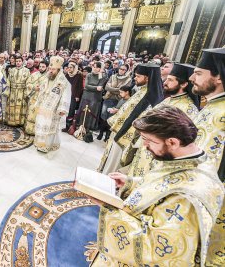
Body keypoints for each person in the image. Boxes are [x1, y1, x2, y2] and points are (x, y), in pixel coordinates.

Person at [91, 106, 224, 266]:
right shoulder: (191, 159)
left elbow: (157, 249)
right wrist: (131, 182)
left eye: (148, 140)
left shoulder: (188, 199)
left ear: (173, 142)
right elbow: (166, 184)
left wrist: (110, 209)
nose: (144, 145)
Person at [125, 63, 201, 178]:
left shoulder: (189, 110)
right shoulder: (167, 100)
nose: (165, 83)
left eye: (170, 80)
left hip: (158, 159)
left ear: (184, 84)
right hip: (146, 151)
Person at [98, 64, 164, 174]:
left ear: (147, 78)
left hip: (126, 138)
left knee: (114, 165)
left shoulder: (151, 97)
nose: (135, 78)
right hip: (120, 130)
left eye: (138, 76)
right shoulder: (142, 91)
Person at [189, 48, 225, 181]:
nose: (191, 78)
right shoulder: (213, 105)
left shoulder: (222, 114)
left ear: (219, 77)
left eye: (198, 74)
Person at [33, 56, 71, 153]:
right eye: (50, 68)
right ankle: (39, 144)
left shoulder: (64, 82)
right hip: (43, 107)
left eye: (53, 69)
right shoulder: (47, 77)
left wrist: (62, 109)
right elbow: (43, 88)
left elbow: (66, 95)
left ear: (59, 69)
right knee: (41, 124)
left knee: (49, 128)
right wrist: (38, 88)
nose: (50, 71)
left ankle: (47, 146)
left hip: (53, 109)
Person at [98, 64, 131, 141]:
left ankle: (107, 136)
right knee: (104, 116)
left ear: (126, 71)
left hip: (118, 100)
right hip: (108, 98)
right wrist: (118, 89)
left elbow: (123, 91)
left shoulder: (128, 79)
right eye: (120, 69)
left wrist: (112, 89)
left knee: (112, 118)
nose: (121, 70)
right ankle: (101, 133)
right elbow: (106, 87)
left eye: (124, 69)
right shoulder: (113, 76)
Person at [76, 61, 108, 133]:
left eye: (97, 67)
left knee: (92, 112)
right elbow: (86, 86)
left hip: (95, 97)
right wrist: (96, 88)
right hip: (86, 96)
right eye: (94, 66)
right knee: (83, 111)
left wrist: (93, 88)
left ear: (100, 68)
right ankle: (81, 125)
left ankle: (89, 127)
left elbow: (100, 88)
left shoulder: (103, 76)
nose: (95, 68)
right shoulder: (89, 75)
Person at [24, 60, 49, 135]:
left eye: (43, 67)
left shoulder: (48, 77)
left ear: (47, 67)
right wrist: (34, 87)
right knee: (31, 112)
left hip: (42, 98)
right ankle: (28, 129)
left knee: (39, 114)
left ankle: (37, 130)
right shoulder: (34, 75)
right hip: (33, 97)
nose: (41, 68)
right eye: (40, 66)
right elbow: (28, 84)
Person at [6, 55, 30, 126]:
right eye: (17, 61)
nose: (18, 63)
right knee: (11, 106)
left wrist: (26, 92)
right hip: (12, 91)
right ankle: (11, 121)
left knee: (20, 107)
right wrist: (8, 91)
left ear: (22, 62)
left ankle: (20, 122)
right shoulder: (12, 70)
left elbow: (28, 82)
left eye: (19, 61)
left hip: (21, 91)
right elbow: (8, 81)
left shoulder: (26, 70)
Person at [63, 60, 83, 132]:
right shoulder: (67, 75)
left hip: (74, 96)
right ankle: (64, 125)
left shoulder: (79, 75)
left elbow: (80, 87)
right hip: (66, 95)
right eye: (68, 67)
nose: (69, 69)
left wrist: (77, 96)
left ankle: (69, 126)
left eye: (71, 67)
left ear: (74, 68)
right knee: (66, 109)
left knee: (71, 111)